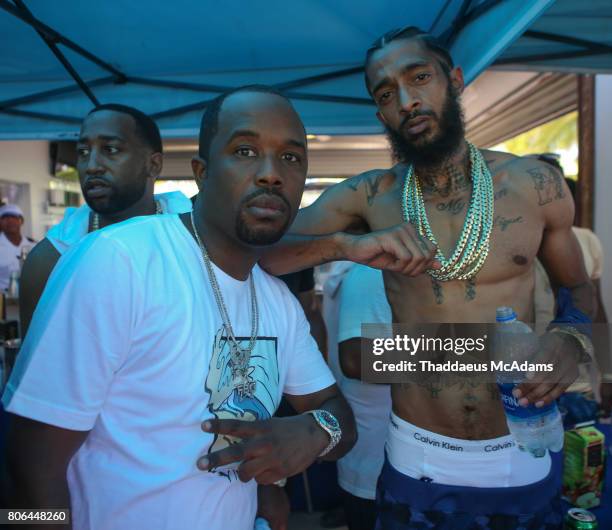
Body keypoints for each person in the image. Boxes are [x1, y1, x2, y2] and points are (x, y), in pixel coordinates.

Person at [260, 27, 596, 529]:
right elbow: (263, 253)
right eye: (387, 93)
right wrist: (344, 245)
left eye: (419, 78)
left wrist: (573, 340)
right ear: (381, 114)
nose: (408, 101)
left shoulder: (535, 185)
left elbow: (583, 292)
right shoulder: (369, 197)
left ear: (454, 81)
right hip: (421, 458)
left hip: (522, 446)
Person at [2, 85, 356, 530]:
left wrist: (316, 432)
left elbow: (339, 414)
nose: (271, 174)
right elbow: (26, 468)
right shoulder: (119, 261)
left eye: (290, 157)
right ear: (202, 172)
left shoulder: (277, 301)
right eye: (245, 151)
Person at [18, 103, 192, 336]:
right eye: (83, 152)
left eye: (110, 149)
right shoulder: (50, 260)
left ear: (153, 164)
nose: (91, 166)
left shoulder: (194, 238)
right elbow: (34, 366)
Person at [326, 263, 392, 530]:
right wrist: (468, 357)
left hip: (404, 455)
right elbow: (358, 358)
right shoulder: (371, 273)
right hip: (377, 455)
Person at [0, 204, 35, 291]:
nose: (10, 221)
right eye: (5, 217)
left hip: (30, 296)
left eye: (14, 217)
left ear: (21, 221)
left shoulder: (34, 245)